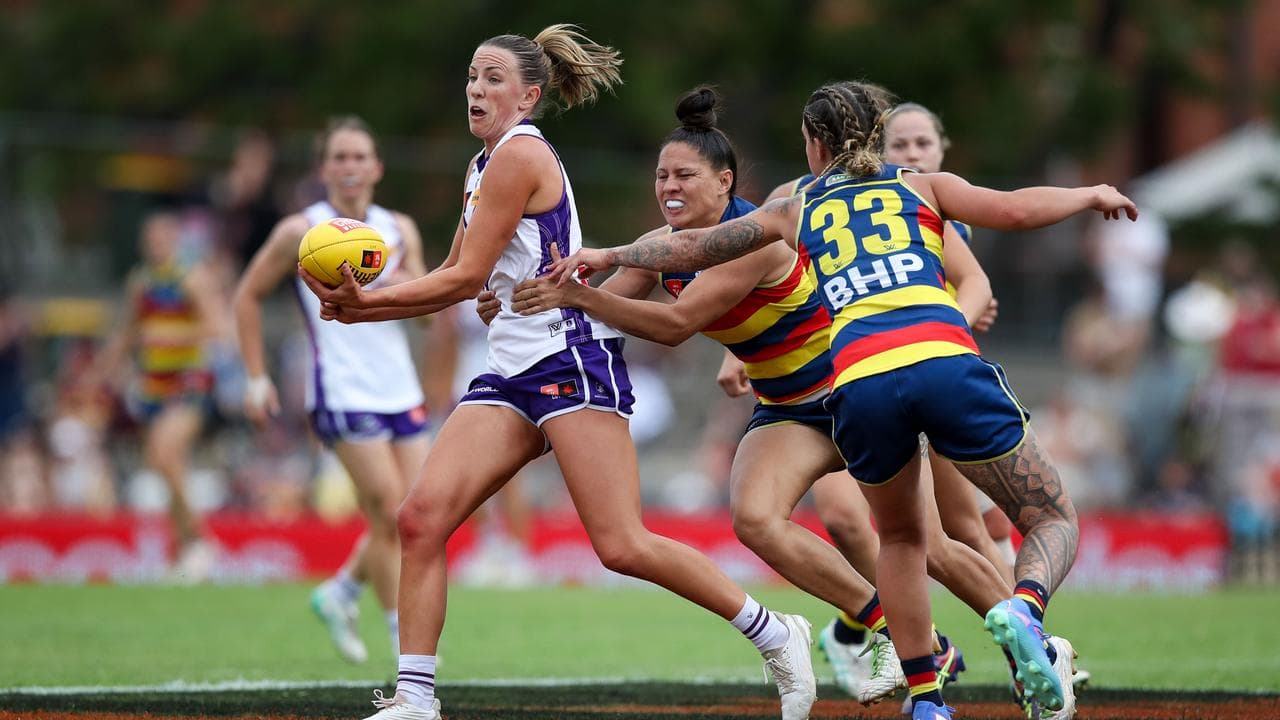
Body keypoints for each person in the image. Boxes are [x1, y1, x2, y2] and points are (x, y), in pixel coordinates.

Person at [549, 80, 1137, 720]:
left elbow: (676, 316)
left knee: (925, 539)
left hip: (846, 383)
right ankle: (917, 639)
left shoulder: (780, 216)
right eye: (662, 175)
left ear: (728, 180)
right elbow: (630, 290)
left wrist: (587, 279)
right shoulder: (874, 194)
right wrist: (540, 298)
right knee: (766, 518)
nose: (669, 186)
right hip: (811, 397)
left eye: (684, 175)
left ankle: (1017, 657)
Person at [300, 27, 816, 720]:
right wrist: (395, 296)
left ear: (529, 96)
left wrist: (368, 306)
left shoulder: (520, 154)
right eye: (472, 76)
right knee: (420, 519)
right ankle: (415, 698)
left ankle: (774, 631)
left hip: (568, 359)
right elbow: (462, 276)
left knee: (621, 545)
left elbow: (462, 277)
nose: (475, 89)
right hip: (511, 367)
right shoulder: (482, 164)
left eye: (492, 78)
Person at [233, 116, 433, 664]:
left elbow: (427, 312)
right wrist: (256, 376)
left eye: (359, 156)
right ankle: (405, 646)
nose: (350, 167)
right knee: (389, 513)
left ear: (377, 167)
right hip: (340, 389)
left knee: (419, 515)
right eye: (339, 157)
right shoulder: (302, 232)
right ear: (323, 169)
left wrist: (392, 282)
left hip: (399, 387)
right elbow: (247, 295)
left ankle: (342, 590)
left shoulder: (399, 229)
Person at [94, 210, 222, 581]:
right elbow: (128, 331)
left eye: (163, 239)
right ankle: (184, 551)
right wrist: (101, 370)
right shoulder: (141, 281)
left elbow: (218, 327)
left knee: (163, 455)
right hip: (153, 387)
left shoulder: (193, 278)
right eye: (151, 240)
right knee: (168, 465)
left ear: (176, 241)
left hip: (188, 383)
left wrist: (171, 339)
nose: (156, 246)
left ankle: (201, 539)